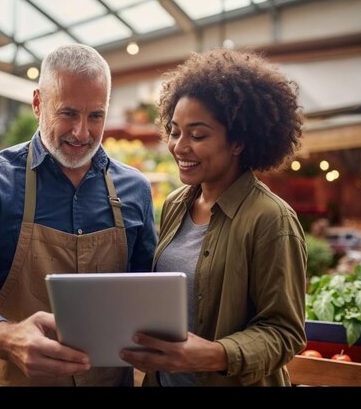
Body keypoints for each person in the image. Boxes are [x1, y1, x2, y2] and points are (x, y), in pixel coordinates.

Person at [0, 44, 157, 386]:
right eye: (68, 113)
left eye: (96, 116)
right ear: (37, 103)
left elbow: (147, 290)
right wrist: (2, 335)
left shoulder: (134, 189)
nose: (82, 132)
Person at [120, 48, 307, 386]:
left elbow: (285, 332)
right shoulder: (176, 204)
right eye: (175, 131)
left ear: (237, 141)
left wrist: (212, 354)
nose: (179, 146)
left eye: (198, 135)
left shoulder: (271, 220)